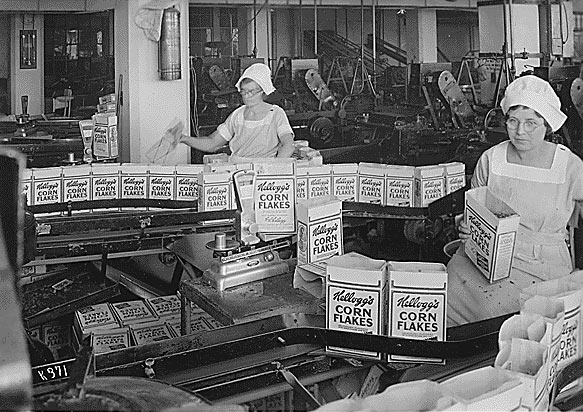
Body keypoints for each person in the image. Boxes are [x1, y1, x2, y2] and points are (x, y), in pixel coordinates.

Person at [447, 74, 583, 326]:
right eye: (513, 121)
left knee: (496, 315)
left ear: (547, 126)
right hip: (484, 259)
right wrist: (464, 226)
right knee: (443, 300)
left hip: (541, 266)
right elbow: (473, 212)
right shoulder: (491, 158)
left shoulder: (569, 166)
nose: (520, 131)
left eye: (531, 123)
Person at [180, 63, 294, 159]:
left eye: (251, 91)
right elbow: (212, 143)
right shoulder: (237, 115)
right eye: (243, 91)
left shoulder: (276, 114)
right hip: (239, 170)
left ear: (263, 91)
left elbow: (288, 145)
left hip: (264, 172)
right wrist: (184, 139)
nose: (247, 96)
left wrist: (275, 169)